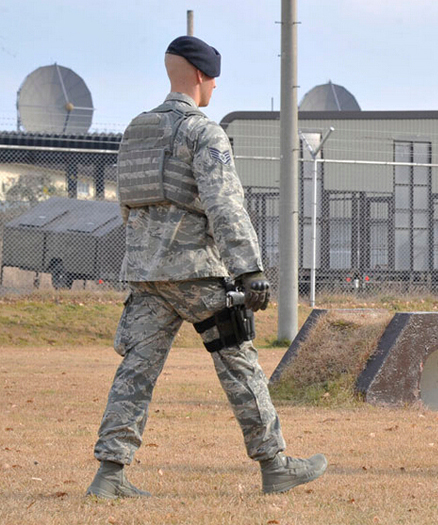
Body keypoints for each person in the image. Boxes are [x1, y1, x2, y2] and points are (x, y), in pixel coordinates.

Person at [87, 36, 326, 498]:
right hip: (196, 272)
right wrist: (249, 270)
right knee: (239, 364)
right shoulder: (204, 132)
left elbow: (127, 205)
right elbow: (225, 205)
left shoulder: (135, 129)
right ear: (200, 76)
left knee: (135, 371)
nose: (214, 87)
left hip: (145, 272)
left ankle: (110, 474)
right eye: (213, 79)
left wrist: (145, 256)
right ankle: (275, 465)